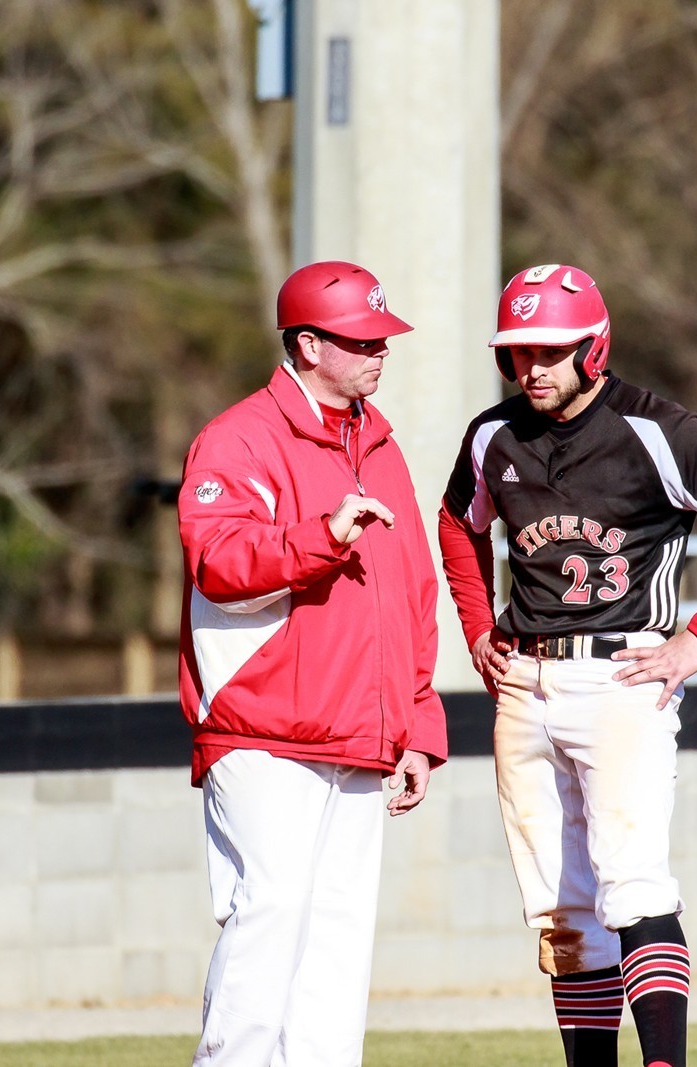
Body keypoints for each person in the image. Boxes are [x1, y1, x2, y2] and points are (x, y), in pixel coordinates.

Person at [436, 263, 697, 1067]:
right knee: (565, 912)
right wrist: (475, 626)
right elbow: (457, 524)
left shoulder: (655, 429)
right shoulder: (492, 435)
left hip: (621, 677)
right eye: (518, 351)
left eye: (550, 350)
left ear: (592, 348)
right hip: (524, 681)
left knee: (633, 882)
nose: (532, 366)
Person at [177, 260, 448, 1066]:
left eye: (382, 336)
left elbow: (413, 593)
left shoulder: (381, 443)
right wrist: (321, 536)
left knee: (336, 943)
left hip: (359, 734)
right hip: (262, 729)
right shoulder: (240, 437)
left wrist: (417, 724)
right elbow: (218, 561)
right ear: (306, 344)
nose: (379, 351)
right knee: (271, 917)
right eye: (361, 339)